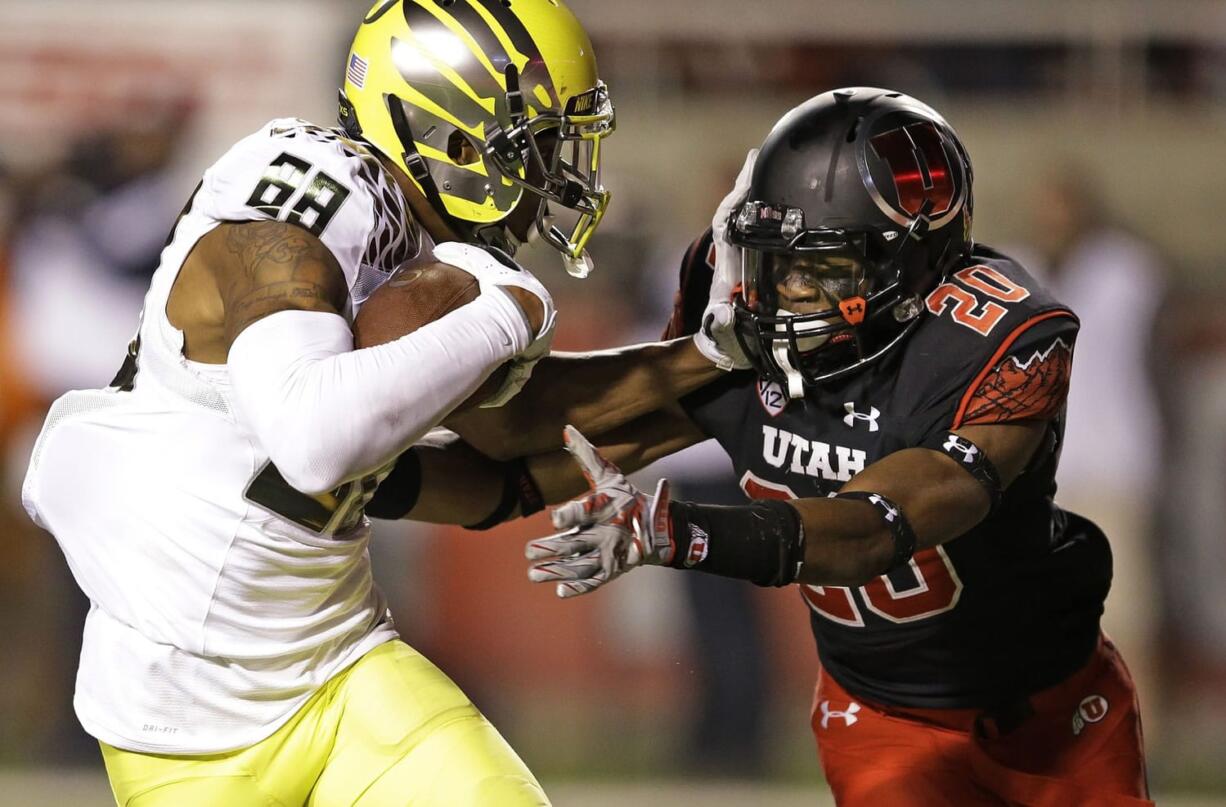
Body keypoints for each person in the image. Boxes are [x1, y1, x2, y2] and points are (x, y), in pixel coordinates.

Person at [20, 2, 730, 804]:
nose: (561, 172)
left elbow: (510, 442)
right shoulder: (301, 203)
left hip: (346, 666)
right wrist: (507, 313)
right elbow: (316, 438)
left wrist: (712, 368)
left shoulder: (412, 246)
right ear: (454, 135)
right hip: (184, 726)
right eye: (535, 141)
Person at [518, 88, 1153, 805]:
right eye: (779, 264)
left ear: (907, 264)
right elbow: (530, 439)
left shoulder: (992, 340)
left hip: (1054, 705)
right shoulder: (738, 332)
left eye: (823, 269)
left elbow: (878, 524)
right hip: (880, 715)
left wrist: (684, 531)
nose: (788, 292)